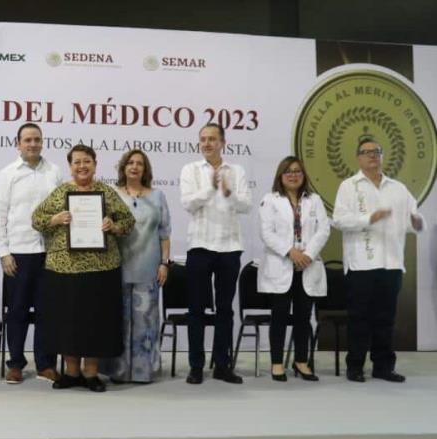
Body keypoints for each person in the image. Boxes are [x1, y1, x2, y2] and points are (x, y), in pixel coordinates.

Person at [32, 144, 135, 392]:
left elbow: (128, 221)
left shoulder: (106, 192)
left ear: (95, 164)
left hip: (101, 269)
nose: (82, 166)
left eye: (87, 161)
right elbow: (36, 219)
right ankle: (71, 373)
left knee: (95, 322)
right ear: (70, 167)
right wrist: (55, 219)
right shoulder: (61, 192)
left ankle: (91, 374)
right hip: (64, 270)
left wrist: (113, 225)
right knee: (68, 322)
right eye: (77, 162)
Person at [332, 136, 424, 383]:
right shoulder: (349, 186)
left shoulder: (398, 188)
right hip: (361, 263)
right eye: (367, 151)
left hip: (391, 262)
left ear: (383, 156)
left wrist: (416, 222)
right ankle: (355, 366)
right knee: (359, 318)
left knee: (386, 318)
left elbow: (413, 221)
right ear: (358, 157)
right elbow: (339, 220)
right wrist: (368, 219)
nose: (373, 155)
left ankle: (383, 366)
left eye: (377, 151)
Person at [179, 122, 250, 385]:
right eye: (203, 139)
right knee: (196, 308)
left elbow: (246, 205)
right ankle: (196, 366)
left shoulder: (237, 170)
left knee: (225, 310)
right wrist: (211, 186)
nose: (207, 143)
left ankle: (222, 365)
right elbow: (188, 203)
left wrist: (228, 193)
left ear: (223, 143)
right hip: (199, 245)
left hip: (230, 246)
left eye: (212, 139)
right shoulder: (190, 169)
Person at [0, 123, 63, 384]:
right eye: (27, 140)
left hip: (49, 253)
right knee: (18, 311)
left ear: (42, 142)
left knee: (48, 312)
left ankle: (45, 364)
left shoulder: (54, 172)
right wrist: (4, 253)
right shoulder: (7, 174)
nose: (33, 144)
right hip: (18, 253)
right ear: (18, 144)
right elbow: (0, 217)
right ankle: (16, 364)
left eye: (37, 139)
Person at [100, 150, 171, 383]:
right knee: (118, 320)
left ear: (145, 169)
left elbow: (164, 233)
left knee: (146, 322)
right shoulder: (111, 195)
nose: (134, 167)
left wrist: (164, 263)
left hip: (148, 268)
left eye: (139, 163)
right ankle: (118, 372)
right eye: (130, 162)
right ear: (123, 167)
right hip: (117, 266)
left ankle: (143, 372)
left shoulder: (158, 196)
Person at [257, 156, 330, 382]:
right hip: (282, 264)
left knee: (303, 318)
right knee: (278, 317)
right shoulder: (270, 200)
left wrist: (306, 255)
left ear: (303, 175)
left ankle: (301, 361)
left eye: (297, 171)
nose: (293, 175)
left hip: (306, 266)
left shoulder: (314, 200)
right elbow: (267, 233)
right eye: (288, 171)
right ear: (281, 175)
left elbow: (324, 230)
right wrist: (291, 252)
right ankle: (277, 363)